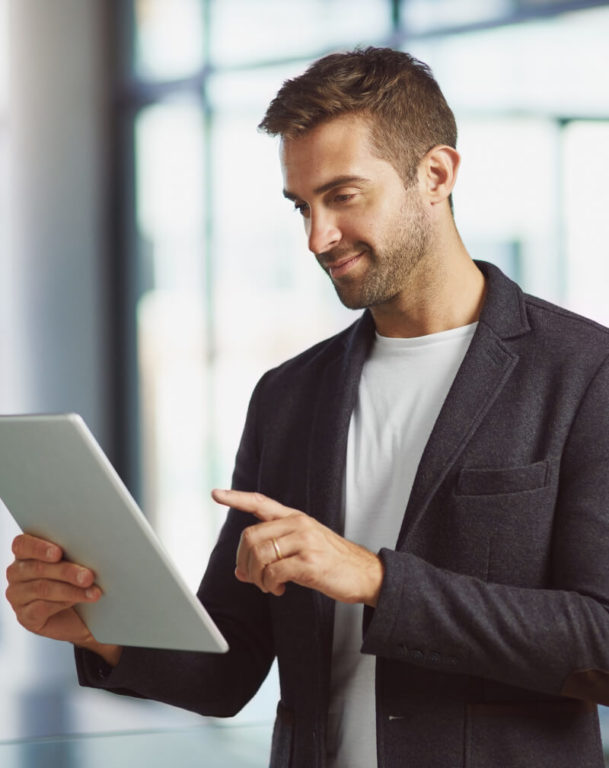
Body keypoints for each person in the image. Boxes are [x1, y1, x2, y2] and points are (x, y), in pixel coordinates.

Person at [6, 47, 609, 768]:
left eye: (342, 196)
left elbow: (599, 641)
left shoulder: (583, 373)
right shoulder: (289, 395)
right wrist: (97, 627)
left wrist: (376, 581)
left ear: (436, 175)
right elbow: (230, 668)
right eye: (302, 205)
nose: (316, 237)